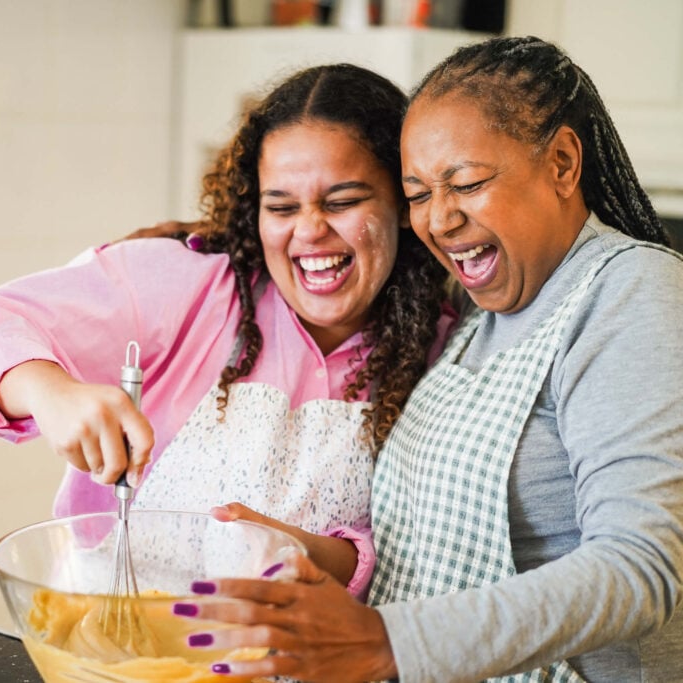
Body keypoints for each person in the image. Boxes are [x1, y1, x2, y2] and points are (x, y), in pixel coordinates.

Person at [172, 35, 683, 682]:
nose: (438, 219)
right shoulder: (478, 316)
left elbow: (640, 568)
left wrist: (389, 639)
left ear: (561, 162)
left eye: (465, 183)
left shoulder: (630, 290)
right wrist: (206, 242)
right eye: (417, 193)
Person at [0, 63, 452, 598]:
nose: (310, 230)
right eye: (281, 206)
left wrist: (297, 553)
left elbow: (409, 547)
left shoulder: (444, 348)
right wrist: (50, 392)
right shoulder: (184, 285)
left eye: (342, 201)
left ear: (404, 204)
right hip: (114, 649)